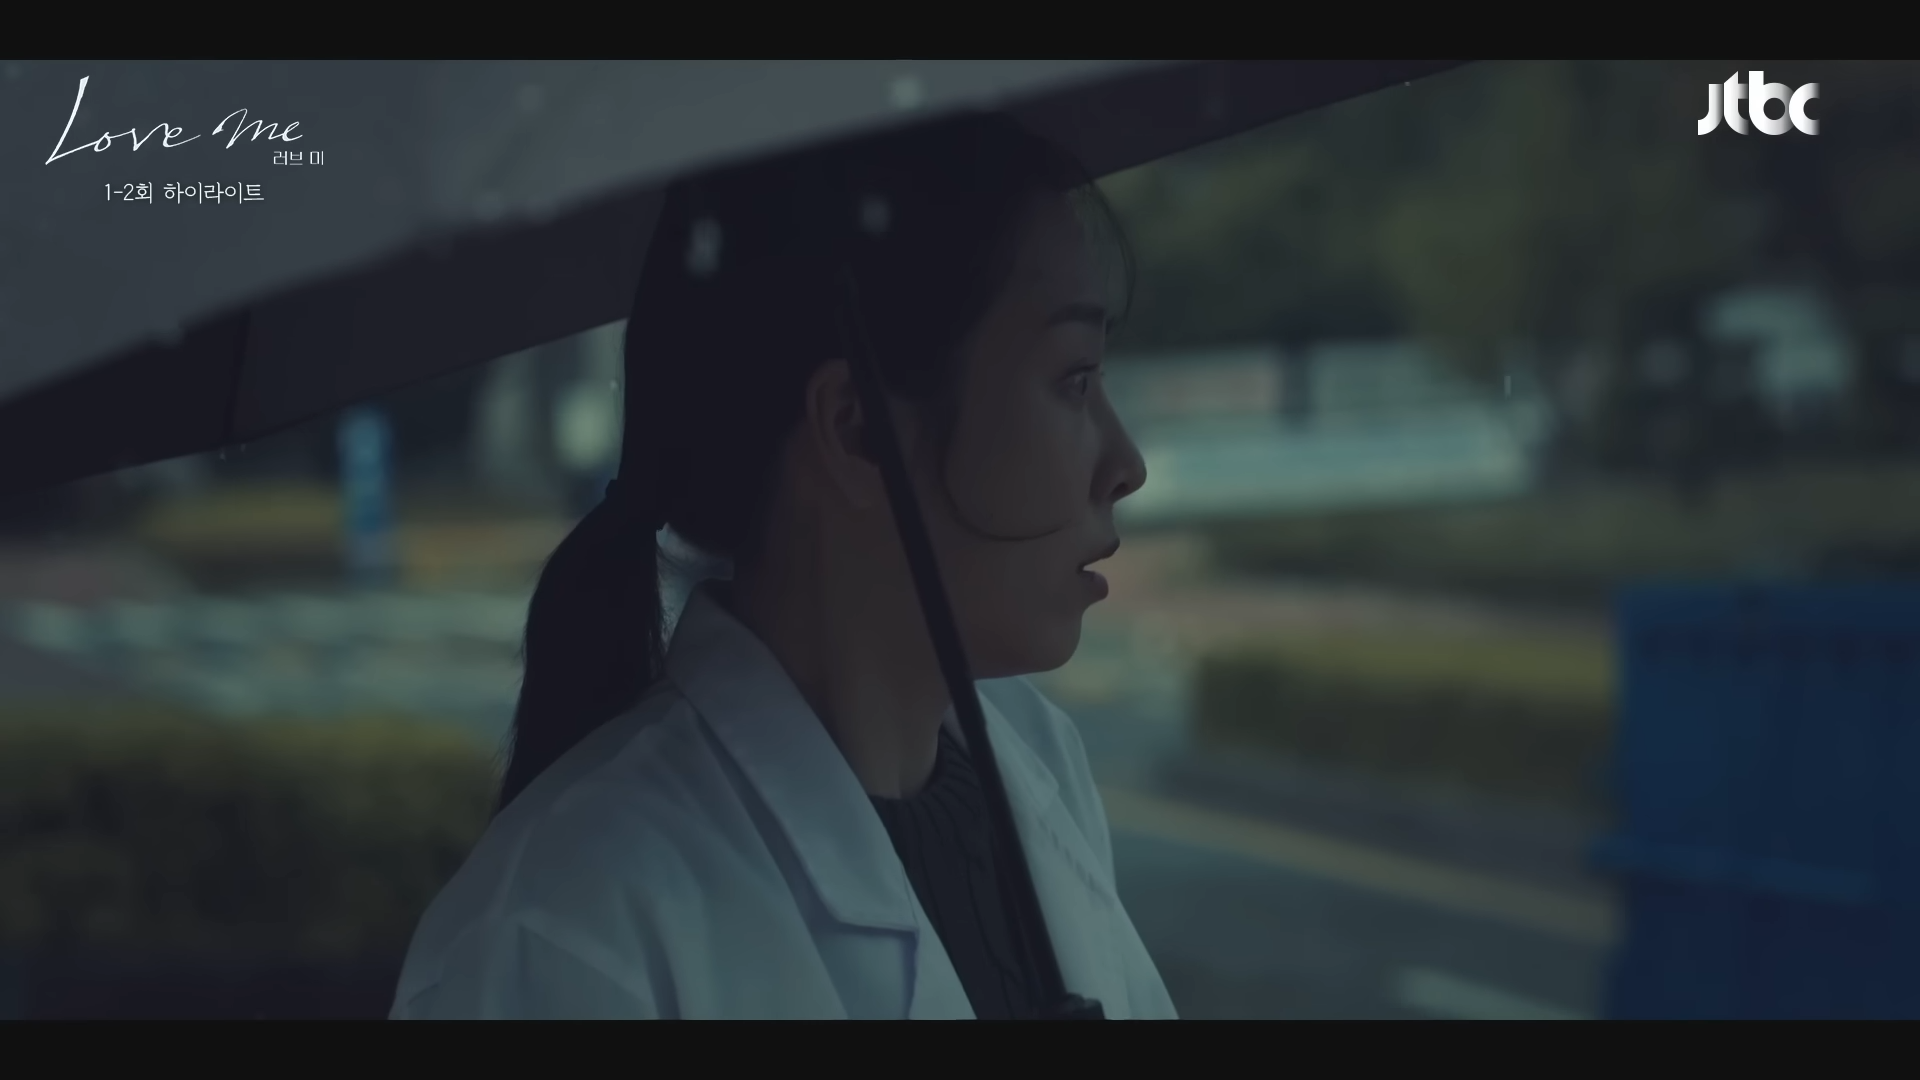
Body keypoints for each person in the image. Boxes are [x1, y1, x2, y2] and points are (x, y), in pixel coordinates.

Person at [389, 112, 1174, 1019]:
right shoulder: (568, 927)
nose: (1126, 465)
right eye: (1073, 379)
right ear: (857, 430)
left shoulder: (1039, 762)